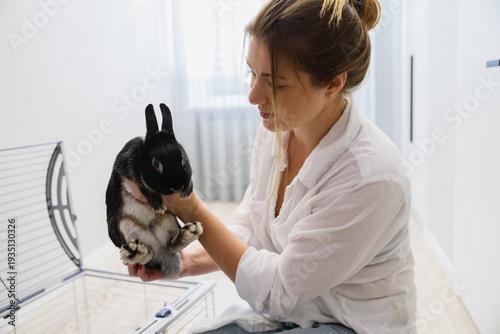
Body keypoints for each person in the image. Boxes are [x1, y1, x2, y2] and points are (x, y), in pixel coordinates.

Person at [127, 0, 417, 333]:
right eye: (252, 72)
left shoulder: (371, 178)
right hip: (294, 313)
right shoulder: (277, 130)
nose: (253, 96)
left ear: (334, 84)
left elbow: (279, 291)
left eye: (277, 84)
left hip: (350, 325)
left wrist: (191, 208)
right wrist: (186, 261)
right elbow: (252, 226)